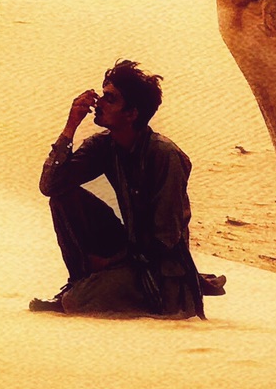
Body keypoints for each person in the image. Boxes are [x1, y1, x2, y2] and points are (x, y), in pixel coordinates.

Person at [33, 60, 204, 317]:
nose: (99, 103)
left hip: (159, 269)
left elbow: (165, 238)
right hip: (130, 250)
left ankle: (85, 291)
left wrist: (111, 262)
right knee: (63, 198)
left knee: (77, 302)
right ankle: (82, 284)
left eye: (110, 99)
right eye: (102, 95)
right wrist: (71, 126)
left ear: (131, 113)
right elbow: (50, 186)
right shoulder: (103, 146)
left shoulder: (165, 155)